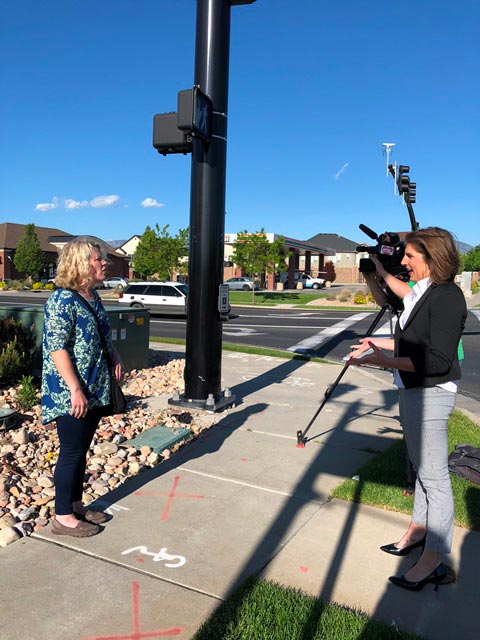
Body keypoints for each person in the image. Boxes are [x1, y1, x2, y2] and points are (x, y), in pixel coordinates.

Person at [348, 227, 467, 591]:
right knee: (421, 470)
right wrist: (376, 343)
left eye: (411, 256)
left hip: (431, 394)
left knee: (434, 479)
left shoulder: (447, 297)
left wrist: (384, 360)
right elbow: (409, 341)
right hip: (414, 391)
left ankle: (434, 559)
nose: (403, 261)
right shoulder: (425, 292)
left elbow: (437, 359)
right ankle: (417, 533)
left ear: (433, 260)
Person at [41, 237, 124, 537]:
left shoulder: (92, 296)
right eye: (97, 259)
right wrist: (75, 388)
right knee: (71, 452)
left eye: (103, 258)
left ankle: (75, 505)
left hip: (94, 387)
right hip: (71, 391)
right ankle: (62, 517)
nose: (105, 263)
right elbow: (57, 348)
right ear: (79, 263)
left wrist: (114, 354)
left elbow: (103, 333)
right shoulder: (62, 300)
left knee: (82, 450)